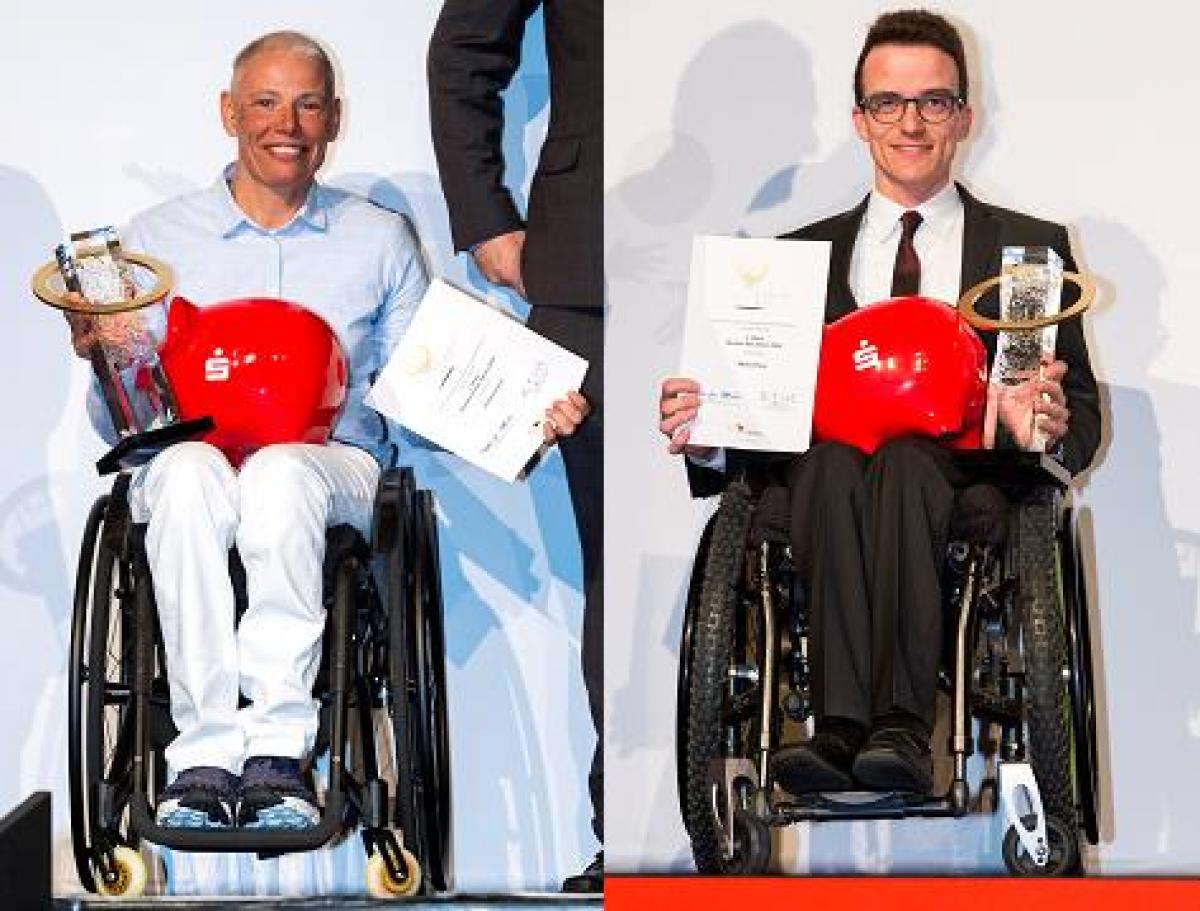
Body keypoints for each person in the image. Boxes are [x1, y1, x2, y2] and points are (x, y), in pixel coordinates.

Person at [68, 30, 587, 832]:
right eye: (267, 102)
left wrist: (528, 416)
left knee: (280, 470)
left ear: (335, 118)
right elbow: (123, 420)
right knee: (175, 473)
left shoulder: (376, 238)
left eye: (309, 103)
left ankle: (278, 749)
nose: (289, 123)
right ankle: (202, 752)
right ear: (229, 112)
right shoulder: (158, 239)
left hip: (329, 464)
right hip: (198, 463)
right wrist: (111, 363)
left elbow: (430, 388)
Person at [659, 10, 1100, 797]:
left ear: (965, 114)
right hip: (827, 483)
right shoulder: (791, 258)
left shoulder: (1026, 253)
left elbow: (1082, 423)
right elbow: (764, 423)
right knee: (827, 463)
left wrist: (1052, 422)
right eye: (890, 103)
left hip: (965, 483)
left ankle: (899, 725)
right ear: (859, 119)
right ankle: (837, 730)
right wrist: (709, 430)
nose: (912, 122)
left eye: (934, 102)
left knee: (902, 461)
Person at [427, 0, 603, 892]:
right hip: (592, 257)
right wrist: (488, 220)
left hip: (758, 235)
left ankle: (735, 807)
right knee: (615, 559)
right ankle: (630, 831)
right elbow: (464, 50)